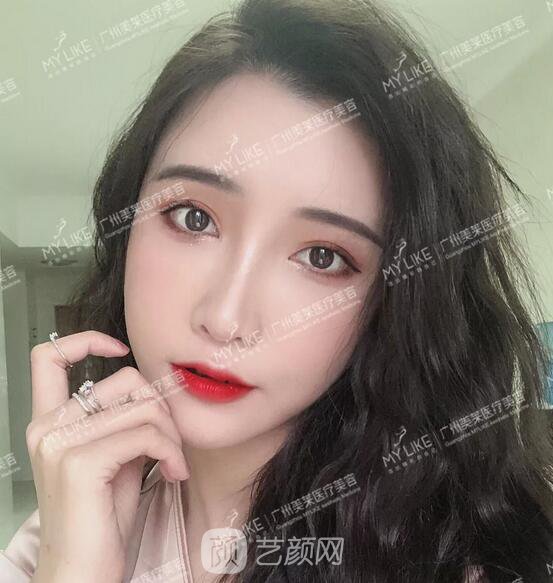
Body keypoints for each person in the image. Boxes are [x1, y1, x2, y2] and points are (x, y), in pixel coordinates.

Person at [2, 0, 553, 581]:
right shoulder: (58, 537)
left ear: (392, 300)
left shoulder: (452, 562)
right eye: (193, 217)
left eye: (322, 257)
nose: (225, 318)